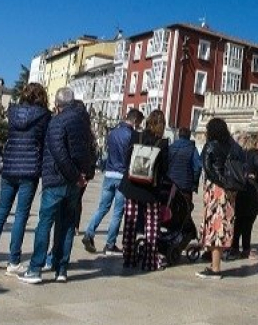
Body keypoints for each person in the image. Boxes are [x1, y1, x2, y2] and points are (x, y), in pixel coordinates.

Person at [20, 88, 94, 284]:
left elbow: (59, 153)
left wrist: (74, 175)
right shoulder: (84, 123)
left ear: (57, 105)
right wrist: (83, 175)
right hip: (75, 183)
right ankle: (61, 269)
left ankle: (35, 268)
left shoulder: (57, 122)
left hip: (57, 179)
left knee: (45, 222)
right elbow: (90, 150)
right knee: (68, 224)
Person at [0, 83, 48, 273]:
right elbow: (44, 142)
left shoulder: (12, 113)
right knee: (21, 215)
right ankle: (13, 261)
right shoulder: (43, 116)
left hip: (10, 166)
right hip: (29, 168)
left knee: (1, 211)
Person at [83, 109, 141, 256]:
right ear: (134, 121)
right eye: (138, 123)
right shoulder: (132, 135)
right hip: (122, 176)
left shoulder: (112, 132)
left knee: (102, 207)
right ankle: (110, 244)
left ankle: (89, 233)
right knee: (117, 212)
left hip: (109, 173)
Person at [120, 110, 171, 271]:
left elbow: (128, 159)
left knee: (130, 222)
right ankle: (149, 261)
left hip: (132, 185)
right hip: (150, 188)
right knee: (151, 225)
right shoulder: (162, 143)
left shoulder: (136, 136)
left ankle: (129, 258)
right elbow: (164, 168)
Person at [196, 118, 240, 279]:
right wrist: (228, 183)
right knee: (223, 225)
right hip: (229, 191)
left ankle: (215, 269)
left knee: (216, 228)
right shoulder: (231, 146)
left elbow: (208, 169)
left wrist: (220, 182)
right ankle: (215, 264)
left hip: (216, 190)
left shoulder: (211, 146)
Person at [232, 133, 258, 260]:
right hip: (251, 192)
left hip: (241, 190)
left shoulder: (242, 153)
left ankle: (234, 247)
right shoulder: (255, 155)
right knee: (248, 222)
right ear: (255, 143)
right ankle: (246, 249)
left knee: (239, 220)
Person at [166, 127, 202, 198]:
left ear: (179, 135)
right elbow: (197, 167)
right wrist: (194, 183)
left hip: (170, 183)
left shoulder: (171, 147)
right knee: (186, 206)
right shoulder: (192, 149)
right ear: (189, 136)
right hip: (185, 186)